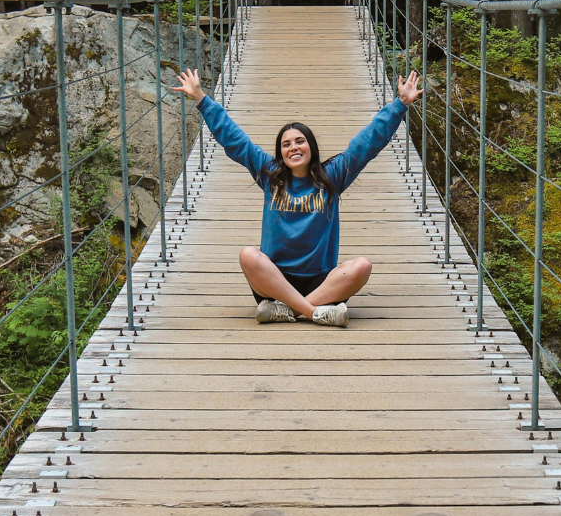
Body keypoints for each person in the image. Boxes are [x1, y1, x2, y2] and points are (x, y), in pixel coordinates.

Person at [174, 67, 422, 326]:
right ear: (280, 153)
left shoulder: (333, 176)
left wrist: (400, 104)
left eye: (300, 141)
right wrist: (201, 98)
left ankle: (287, 310)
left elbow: (366, 144)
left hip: (321, 281)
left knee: (362, 266)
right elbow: (235, 140)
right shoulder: (270, 176)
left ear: (311, 146)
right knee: (248, 255)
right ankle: (315, 312)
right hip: (275, 280)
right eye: (286, 144)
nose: (293, 147)